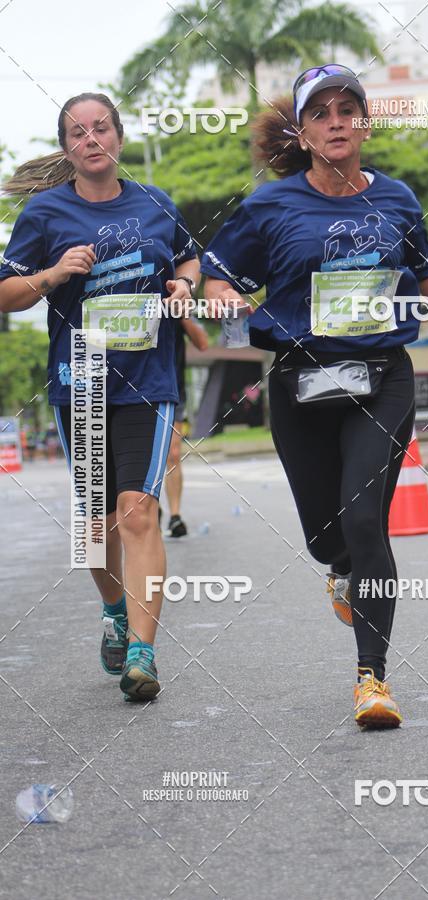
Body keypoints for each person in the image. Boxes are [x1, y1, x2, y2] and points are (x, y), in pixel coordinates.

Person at [201, 65, 428, 729]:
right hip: (300, 380)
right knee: (326, 534)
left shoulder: (396, 197)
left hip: (381, 375)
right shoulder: (272, 206)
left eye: (349, 109)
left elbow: (425, 268)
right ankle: (339, 566)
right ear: (304, 132)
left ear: (364, 123)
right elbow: (218, 276)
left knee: (367, 521)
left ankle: (373, 678)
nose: (337, 122)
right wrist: (221, 297)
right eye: (322, 113)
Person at [0, 92, 200, 701]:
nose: (92, 139)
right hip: (80, 380)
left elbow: (191, 260)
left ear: (118, 135)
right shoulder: (44, 214)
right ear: (67, 148)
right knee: (94, 526)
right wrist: (53, 275)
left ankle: (143, 651)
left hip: (148, 378)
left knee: (138, 509)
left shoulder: (156, 203)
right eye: (78, 132)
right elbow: (7, 293)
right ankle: (114, 610)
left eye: (102, 127)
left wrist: (184, 288)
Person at [162, 317, 209, 537]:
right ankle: (148, 507)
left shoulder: (174, 294)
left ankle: (174, 516)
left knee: (173, 453)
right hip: (132, 390)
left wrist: (180, 312)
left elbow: (202, 342)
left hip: (171, 389)